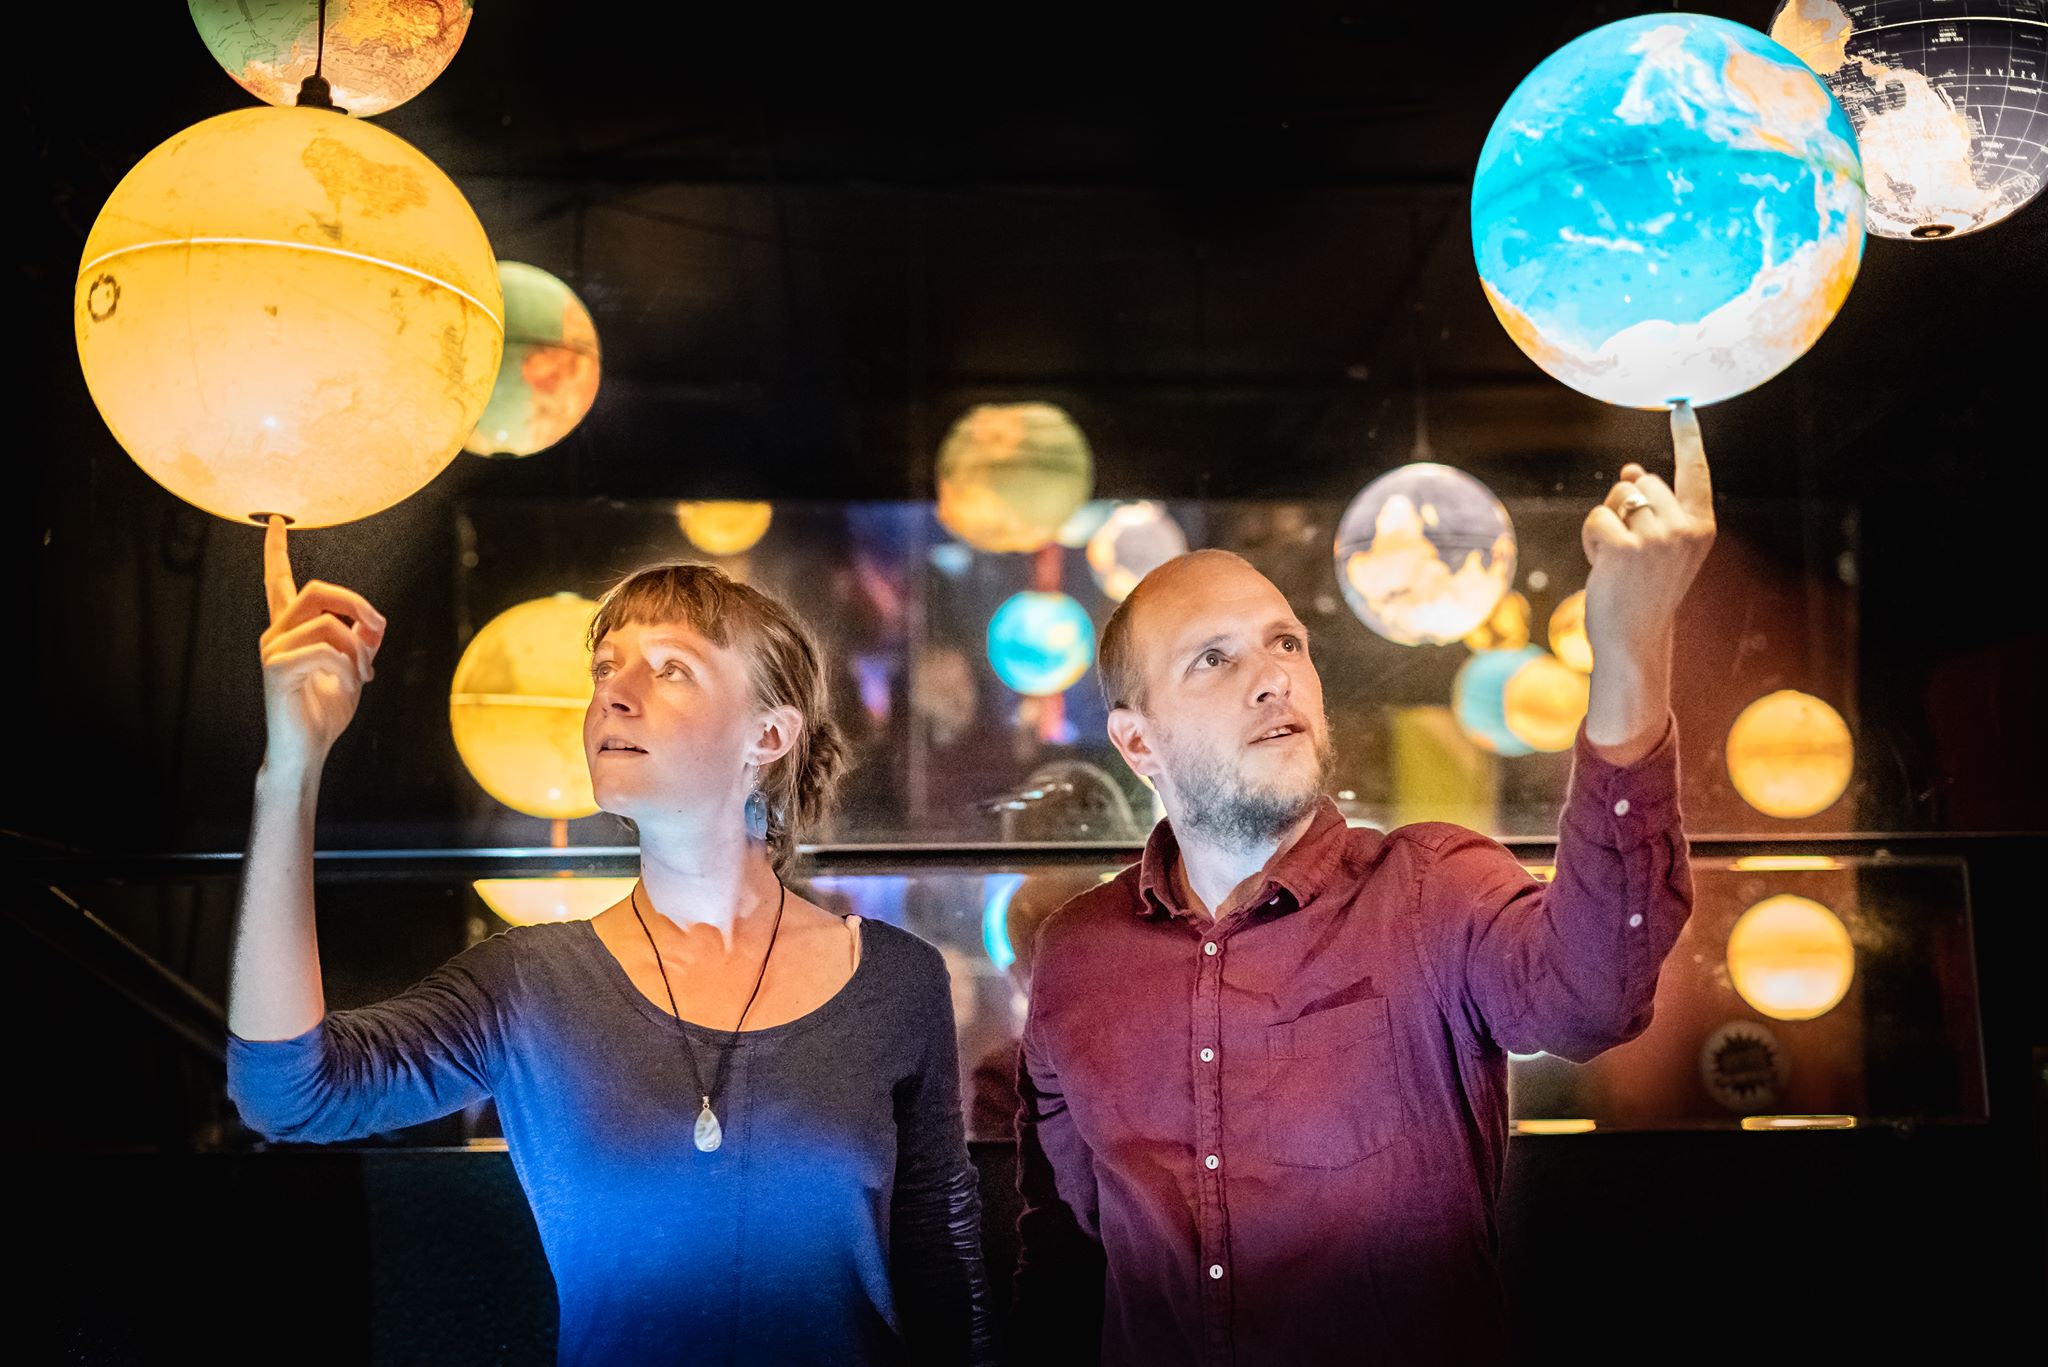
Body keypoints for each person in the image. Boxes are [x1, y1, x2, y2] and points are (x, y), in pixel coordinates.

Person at [1012, 407, 1718, 1364]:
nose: (1274, 678)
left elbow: (1593, 995)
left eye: (1286, 643)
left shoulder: (1430, 887)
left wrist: (1630, 650)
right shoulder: (1077, 954)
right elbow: (1066, 1250)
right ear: (1138, 742)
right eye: (1214, 658)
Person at [226, 528, 994, 1366]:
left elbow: (943, 1270)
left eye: (670, 668)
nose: (612, 696)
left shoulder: (895, 979)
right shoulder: (527, 984)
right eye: (604, 668)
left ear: (769, 735)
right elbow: (286, 1094)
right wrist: (290, 769)